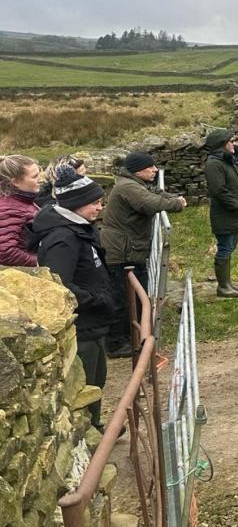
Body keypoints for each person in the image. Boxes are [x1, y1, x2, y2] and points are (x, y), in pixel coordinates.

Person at [27, 167, 111, 428]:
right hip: (83, 323)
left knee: (97, 379)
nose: (100, 207)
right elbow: (60, 284)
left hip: (94, 322)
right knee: (86, 382)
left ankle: (95, 427)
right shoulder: (63, 238)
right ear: (76, 204)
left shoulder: (79, 228)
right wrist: (95, 299)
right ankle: (89, 433)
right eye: (94, 202)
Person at [100, 151, 187, 357]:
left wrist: (172, 197)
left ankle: (130, 337)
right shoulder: (128, 187)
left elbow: (155, 194)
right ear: (138, 170)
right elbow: (149, 203)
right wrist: (177, 204)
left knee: (132, 296)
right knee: (122, 298)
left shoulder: (133, 184)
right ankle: (116, 343)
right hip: (122, 253)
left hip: (128, 249)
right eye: (150, 167)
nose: (155, 170)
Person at [203, 129, 238, 298]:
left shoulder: (224, 161)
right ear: (221, 145)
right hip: (224, 213)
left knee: (230, 246)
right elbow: (219, 190)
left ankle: (228, 283)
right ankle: (223, 287)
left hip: (230, 213)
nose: (234, 144)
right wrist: (236, 206)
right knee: (225, 248)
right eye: (230, 141)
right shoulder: (214, 164)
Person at [0, 154, 42, 267]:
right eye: (35, 176)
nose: (40, 179)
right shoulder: (9, 209)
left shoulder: (22, 200)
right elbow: (5, 252)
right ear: (15, 182)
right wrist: (39, 262)